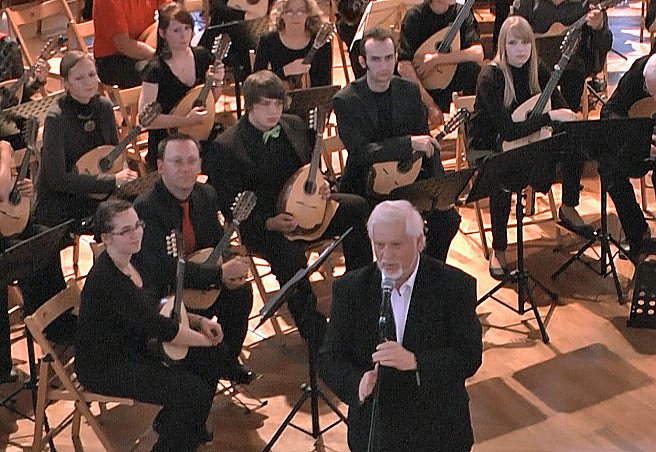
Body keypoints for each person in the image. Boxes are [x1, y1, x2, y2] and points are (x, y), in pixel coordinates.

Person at [204, 69, 372, 346]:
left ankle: (360, 294)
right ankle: (314, 331)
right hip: (265, 224)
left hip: (308, 209)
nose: (274, 111)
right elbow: (229, 204)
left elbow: (311, 170)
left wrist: (325, 186)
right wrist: (268, 222)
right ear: (250, 105)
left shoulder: (294, 125)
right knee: (288, 254)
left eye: (278, 104)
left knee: (357, 208)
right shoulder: (227, 147)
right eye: (265, 104)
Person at [319, 200, 482, 452]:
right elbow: (330, 359)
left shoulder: (454, 286)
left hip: (438, 429)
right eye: (379, 245)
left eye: (396, 245)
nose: (386, 256)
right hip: (376, 433)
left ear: (419, 241)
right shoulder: (351, 289)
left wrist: (416, 362)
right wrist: (359, 383)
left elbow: (469, 356)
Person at [77, 199, 224, 451]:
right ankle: (175, 438)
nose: (136, 234)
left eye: (138, 225)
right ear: (106, 238)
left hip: (135, 346)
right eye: (126, 231)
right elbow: (159, 326)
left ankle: (177, 427)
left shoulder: (132, 260)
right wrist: (205, 340)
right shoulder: (109, 280)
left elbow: (154, 306)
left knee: (210, 361)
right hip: (107, 366)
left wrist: (199, 322)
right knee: (193, 392)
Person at [468, 16, 590, 278]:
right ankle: (499, 249)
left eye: (525, 42)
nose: (520, 49)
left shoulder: (537, 68)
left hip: (530, 138)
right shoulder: (491, 76)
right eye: (513, 43)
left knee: (574, 143)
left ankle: (568, 207)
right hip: (489, 144)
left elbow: (560, 105)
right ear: (503, 45)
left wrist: (566, 115)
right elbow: (507, 130)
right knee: (501, 173)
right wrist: (548, 118)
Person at [133, 133, 255, 383]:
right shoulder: (146, 208)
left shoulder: (206, 194)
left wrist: (231, 265)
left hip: (200, 277)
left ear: (200, 165)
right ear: (161, 166)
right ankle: (199, 370)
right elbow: (163, 269)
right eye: (177, 161)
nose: (185, 168)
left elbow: (215, 242)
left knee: (240, 294)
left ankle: (226, 360)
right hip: (166, 293)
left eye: (191, 161)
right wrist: (220, 274)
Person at [333, 26, 462, 263]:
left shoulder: (409, 91)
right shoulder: (346, 100)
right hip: (364, 186)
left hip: (406, 181)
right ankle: (364, 280)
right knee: (355, 225)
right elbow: (361, 153)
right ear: (362, 61)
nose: (384, 66)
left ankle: (424, 272)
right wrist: (407, 143)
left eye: (388, 58)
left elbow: (426, 144)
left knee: (448, 219)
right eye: (376, 59)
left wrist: (441, 190)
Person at [33, 51, 138, 228]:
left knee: (139, 208)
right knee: (115, 222)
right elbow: (57, 179)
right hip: (64, 200)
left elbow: (113, 154)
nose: (88, 82)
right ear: (66, 84)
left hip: (98, 191)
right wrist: (111, 181)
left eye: (91, 75)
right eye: (79, 78)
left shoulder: (104, 107)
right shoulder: (56, 118)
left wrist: (122, 175)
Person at [139, 2, 225, 170]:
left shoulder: (202, 56)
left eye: (187, 28)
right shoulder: (155, 70)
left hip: (199, 133)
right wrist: (186, 120)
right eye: (176, 30)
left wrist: (218, 81)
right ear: (163, 33)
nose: (184, 36)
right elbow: (145, 121)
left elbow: (211, 100)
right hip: (167, 140)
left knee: (226, 153)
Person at [599, 53, 656, 260]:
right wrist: (636, 136)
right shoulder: (638, 74)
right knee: (609, 169)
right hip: (638, 144)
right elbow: (608, 111)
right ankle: (638, 234)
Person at [513, 0, 612, 111]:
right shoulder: (526, 4)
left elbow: (604, 46)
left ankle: (567, 116)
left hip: (573, 72)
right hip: (534, 69)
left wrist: (599, 28)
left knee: (574, 72)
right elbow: (510, 39)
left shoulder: (588, 4)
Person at [397, 0, 484, 126]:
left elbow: (478, 53)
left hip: (449, 81)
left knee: (473, 69)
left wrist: (436, 59)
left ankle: (469, 125)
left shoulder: (461, 12)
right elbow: (403, 65)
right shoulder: (415, 16)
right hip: (423, 88)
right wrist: (430, 105)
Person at [253, 0, 332, 88]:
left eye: (301, 11)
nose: (295, 17)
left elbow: (325, 86)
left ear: (308, 14)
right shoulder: (268, 41)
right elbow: (256, 82)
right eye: (289, 12)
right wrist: (286, 70)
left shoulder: (322, 43)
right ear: (281, 14)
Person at [93, 0, 170, 88]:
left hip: (145, 48)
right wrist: (159, 57)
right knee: (158, 72)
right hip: (113, 59)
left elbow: (172, 15)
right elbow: (124, 45)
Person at [0, 31, 49, 149]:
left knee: (28, 126)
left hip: (7, 121)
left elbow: (22, 93)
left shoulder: (8, 47)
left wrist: (38, 80)